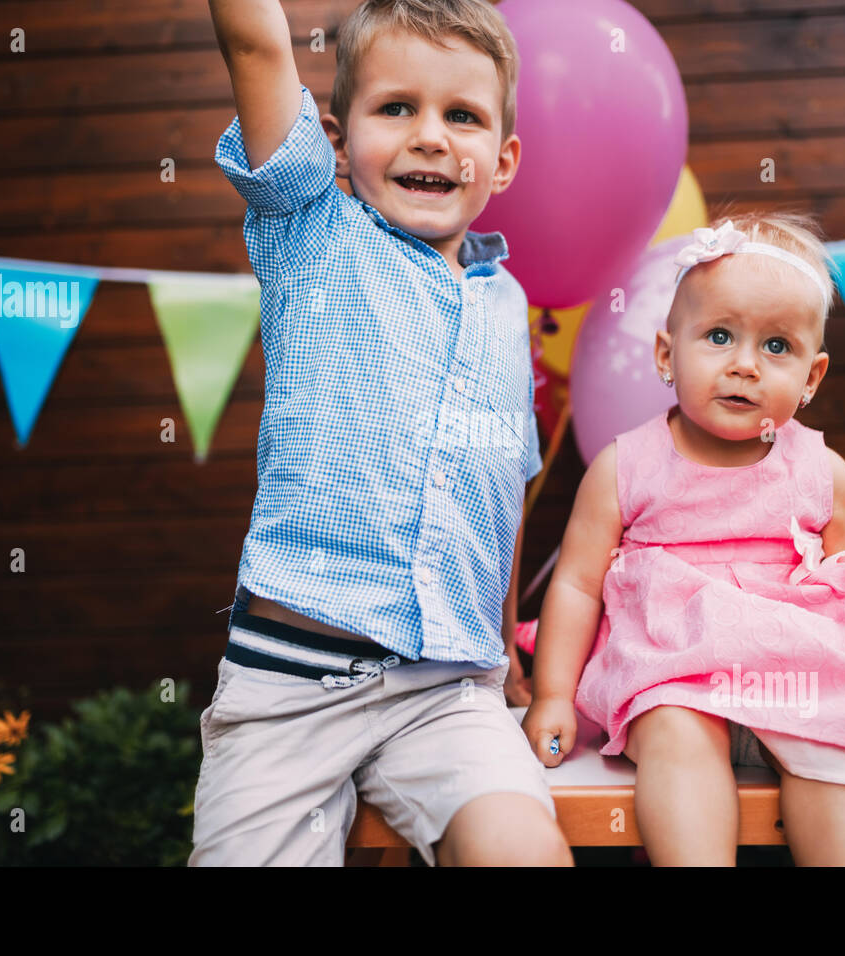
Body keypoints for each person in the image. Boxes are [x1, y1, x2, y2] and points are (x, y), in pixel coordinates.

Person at [190, 0, 571, 866]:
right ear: (333, 138)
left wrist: (504, 648)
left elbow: (501, 485)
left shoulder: (507, 306)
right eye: (396, 107)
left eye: (462, 115)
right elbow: (252, 37)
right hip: (291, 680)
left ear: (503, 161)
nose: (430, 137)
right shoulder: (310, 231)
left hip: (449, 692)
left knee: (527, 852)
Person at [520, 209, 845, 866]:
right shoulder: (627, 466)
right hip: (675, 680)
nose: (746, 365)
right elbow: (577, 584)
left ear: (811, 378)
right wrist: (554, 695)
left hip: (806, 686)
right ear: (668, 353)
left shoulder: (820, 473)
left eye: (776, 347)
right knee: (676, 736)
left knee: (838, 756)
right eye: (719, 336)